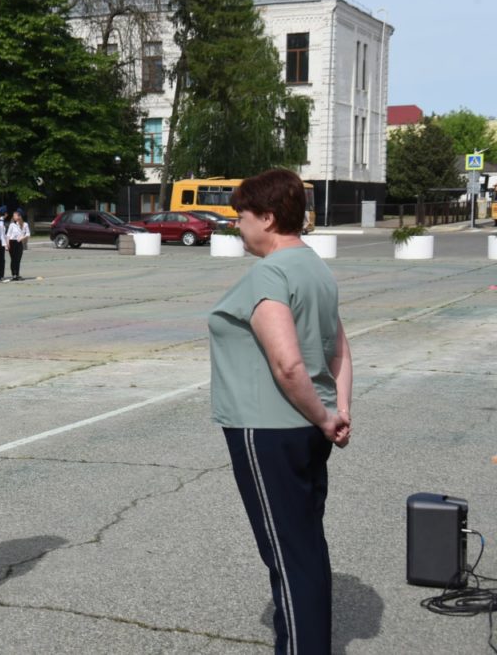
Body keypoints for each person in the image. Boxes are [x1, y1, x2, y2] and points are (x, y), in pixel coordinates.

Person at [208, 168, 353, 655]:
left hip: (269, 428)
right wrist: (335, 412)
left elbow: (288, 364)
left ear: (268, 219)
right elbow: (340, 352)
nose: (238, 225)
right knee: (305, 544)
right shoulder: (314, 266)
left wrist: (322, 415)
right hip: (307, 427)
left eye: (242, 216)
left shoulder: (270, 273)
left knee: (287, 553)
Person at [6, 208, 30, 281]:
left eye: (15, 215)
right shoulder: (12, 225)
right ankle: (14, 275)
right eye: (13, 216)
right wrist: (7, 244)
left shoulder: (25, 224)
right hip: (12, 242)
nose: (14, 217)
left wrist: (22, 238)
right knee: (13, 259)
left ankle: (17, 274)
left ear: (19, 216)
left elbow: (28, 233)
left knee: (18, 259)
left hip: (19, 243)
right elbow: (8, 235)